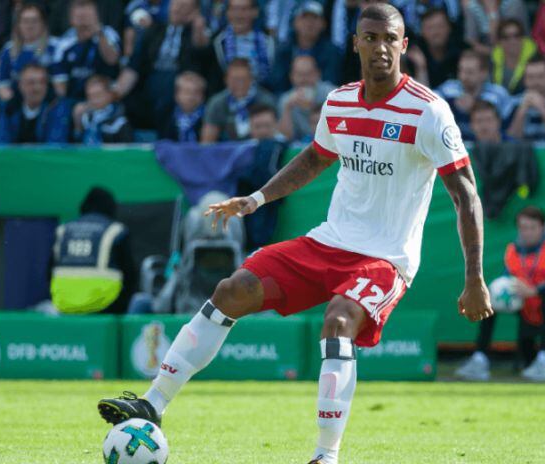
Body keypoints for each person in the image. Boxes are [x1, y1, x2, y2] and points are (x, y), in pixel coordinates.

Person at [97, 5, 492, 464]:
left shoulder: (428, 111)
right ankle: (152, 403)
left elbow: (467, 196)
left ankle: (326, 457)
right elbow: (315, 158)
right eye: (371, 37)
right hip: (329, 240)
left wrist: (475, 278)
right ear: (356, 43)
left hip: (386, 257)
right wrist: (258, 199)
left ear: (404, 45)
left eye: (390, 39)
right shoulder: (340, 101)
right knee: (232, 289)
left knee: (339, 320)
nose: (381, 47)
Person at [455, 206, 545, 382]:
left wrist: (534, 290)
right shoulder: (513, 250)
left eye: (532, 227)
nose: (527, 232)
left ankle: (544, 361)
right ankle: (480, 359)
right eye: (523, 228)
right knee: (490, 299)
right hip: (528, 305)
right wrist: (499, 289)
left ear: (543, 228)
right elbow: (507, 278)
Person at [114, 0, 210, 129]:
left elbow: (201, 52)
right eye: (175, 4)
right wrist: (114, 92)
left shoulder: (194, 35)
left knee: (173, 90)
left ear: (194, 12)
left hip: (178, 87)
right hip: (151, 86)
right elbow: (133, 67)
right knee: (127, 102)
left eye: (184, 6)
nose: (177, 9)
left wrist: (198, 26)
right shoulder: (154, 30)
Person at [50, 187, 137, 315]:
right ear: (111, 207)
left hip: (65, 305)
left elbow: (48, 272)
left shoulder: (63, 230)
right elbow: (130, 275)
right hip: (106, 306)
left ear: (83, 206)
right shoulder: (115, 231)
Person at [51, 0, 121, 101]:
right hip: (76, 100)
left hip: (106, 97)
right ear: (71, 17)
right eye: (78, 11)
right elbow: (60, 83)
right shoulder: (64, 43)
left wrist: (99, 33)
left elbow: (112, 59)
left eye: (87, 10)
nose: (83, 16)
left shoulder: (108, 34)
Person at [269, 1, 342, 93]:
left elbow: (332, 81)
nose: (309, 23)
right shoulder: (283, 50)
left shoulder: (332, 51)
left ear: (323, 24)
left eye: (315, 18)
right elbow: (277, 84)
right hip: (288, 100)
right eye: (304, 18)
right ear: (294, 22)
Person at [437, 50, 510, 141]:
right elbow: (426, 107)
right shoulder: (447, 89)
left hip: (489, 146)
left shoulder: (498, 94)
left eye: (469, 72)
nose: (463, 76)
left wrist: (475, 105)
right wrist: (451, 106)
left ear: (484, 73)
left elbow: (508, 127)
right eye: (461, 70)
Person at [0, 2, 60, 102]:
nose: (30, 26)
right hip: (18, 104)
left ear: (43, 23)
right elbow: (2, 85)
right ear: (18, 25)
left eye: (34, 21)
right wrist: (15, 103)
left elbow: (60, 85)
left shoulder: (56, 47)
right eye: (25, 21)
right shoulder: (8, 50)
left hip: (48, 103)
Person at [0, 64, 74, 144]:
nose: (37, 88)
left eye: (42, 82)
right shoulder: (9, 108)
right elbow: (1, 143)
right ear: (20, 85)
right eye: (31, 83)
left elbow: (54, 146)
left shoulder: (57, 107)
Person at [201, 58, 277, 142]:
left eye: (244, 79)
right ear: (226, 80)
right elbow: (207, 141)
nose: (239, 84)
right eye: (235, 80)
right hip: (227, 152)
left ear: (252, 79)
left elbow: (274, 134)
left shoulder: (265, 100)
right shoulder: (216, 103)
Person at [210, 0, 275, 83]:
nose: (239, 15)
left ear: (255, 12)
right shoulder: (217, 43)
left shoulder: (269, 43)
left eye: (244, 9)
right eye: (234, 9)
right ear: (227, 13)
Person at [278, 55, 336, 142]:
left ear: (318, 74)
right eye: (299, 74)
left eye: (308, 74)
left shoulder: (332, 94)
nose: (304, 79)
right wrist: (287, 109)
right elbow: (285, 138)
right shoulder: (286, 100)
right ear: (291, 76)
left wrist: (313, 106)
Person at [404, 8, 465, 89]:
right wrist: (421, 67)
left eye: (440, 26)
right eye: (430, 28)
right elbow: (419, 96)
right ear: (422, 32)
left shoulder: (461, 51)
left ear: (449, 28)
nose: (436, 32)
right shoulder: (413, 55)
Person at [74, 75, 134, 144]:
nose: (94, 100)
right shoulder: (86, 117)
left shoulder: (120, 122)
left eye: (98, 95)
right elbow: (77, 144)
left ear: (110, 94)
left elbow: (127, 150)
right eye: (90, 96)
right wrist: (77, 125)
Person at [463, 0, 529, 56]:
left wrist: (493, 12)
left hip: (514, 50)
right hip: (486, 54)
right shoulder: (471, 6)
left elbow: (512, 38)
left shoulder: (514, 4)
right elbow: (471, 43)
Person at [491, 18, 537, 95]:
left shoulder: (535, 60)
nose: (512, 41)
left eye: (517, 35)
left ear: (523, 38)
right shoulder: (492, 61)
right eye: (506, 37)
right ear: (499, 41)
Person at [159, 70, 208, 141]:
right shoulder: (165, 114)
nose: (191, 96)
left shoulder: (209, 115)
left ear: (203, 96)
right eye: (187, 92)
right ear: (176, 94)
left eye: (196, 92)